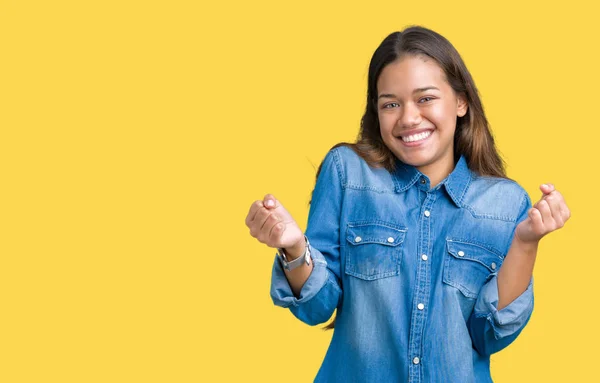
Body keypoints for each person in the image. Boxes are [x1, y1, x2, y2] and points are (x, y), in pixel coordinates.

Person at [245, 25, 570, 383]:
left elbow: (488, 336)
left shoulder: (505, 203)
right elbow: (316, 306)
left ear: (461, 102)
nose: (408, 118)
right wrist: (294, 247)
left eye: (425, 98)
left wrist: (526, 243)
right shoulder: (348, 173)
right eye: (391, 104)